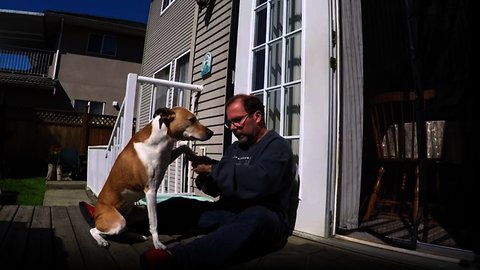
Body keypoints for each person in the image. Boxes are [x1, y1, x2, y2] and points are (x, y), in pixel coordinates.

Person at [80, 94, 298, 269]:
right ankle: (109, 213)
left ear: (257, 117)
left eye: (237, 120)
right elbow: (221, 185)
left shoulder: (276, 147)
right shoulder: (235, 148)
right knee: (181, 205)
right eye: (229, 123)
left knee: (253, 219)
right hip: (227, 211)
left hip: (267, 217)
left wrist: (214, 169)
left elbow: (259, 182)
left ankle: (175, 259)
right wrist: (206, 179)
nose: (233, 127)